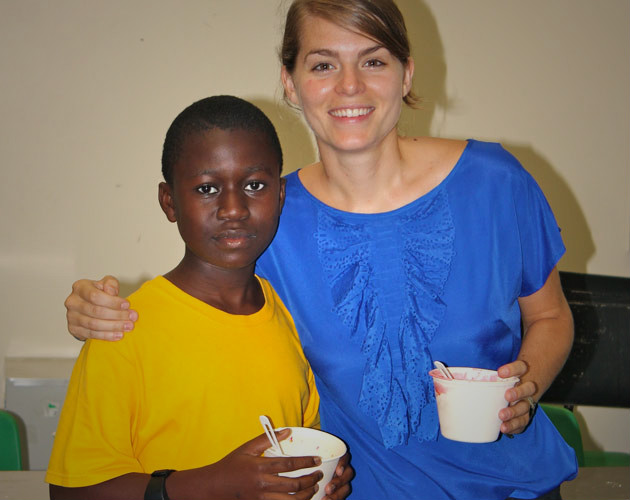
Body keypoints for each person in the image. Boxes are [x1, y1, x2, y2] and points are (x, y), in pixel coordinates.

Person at [63, 1, 577, 499]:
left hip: (516, 489)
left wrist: (527, 386)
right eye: (323, 64)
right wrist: (95, 307)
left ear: (406, 74)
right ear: (290, 82)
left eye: (373, 61)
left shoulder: (495, 183)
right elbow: (197, 299)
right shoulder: (268, 215)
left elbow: (551, 316)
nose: (349, 85)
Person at [47, 95, 353, 500]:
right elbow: (71, 492)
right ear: (169, 201)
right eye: (207, 188)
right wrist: (215, 484)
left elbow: (300, 443)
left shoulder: (290, 318)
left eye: (254, 185)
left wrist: (319, 480)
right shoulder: (123, 329)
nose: (233, 209)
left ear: (280, 195)